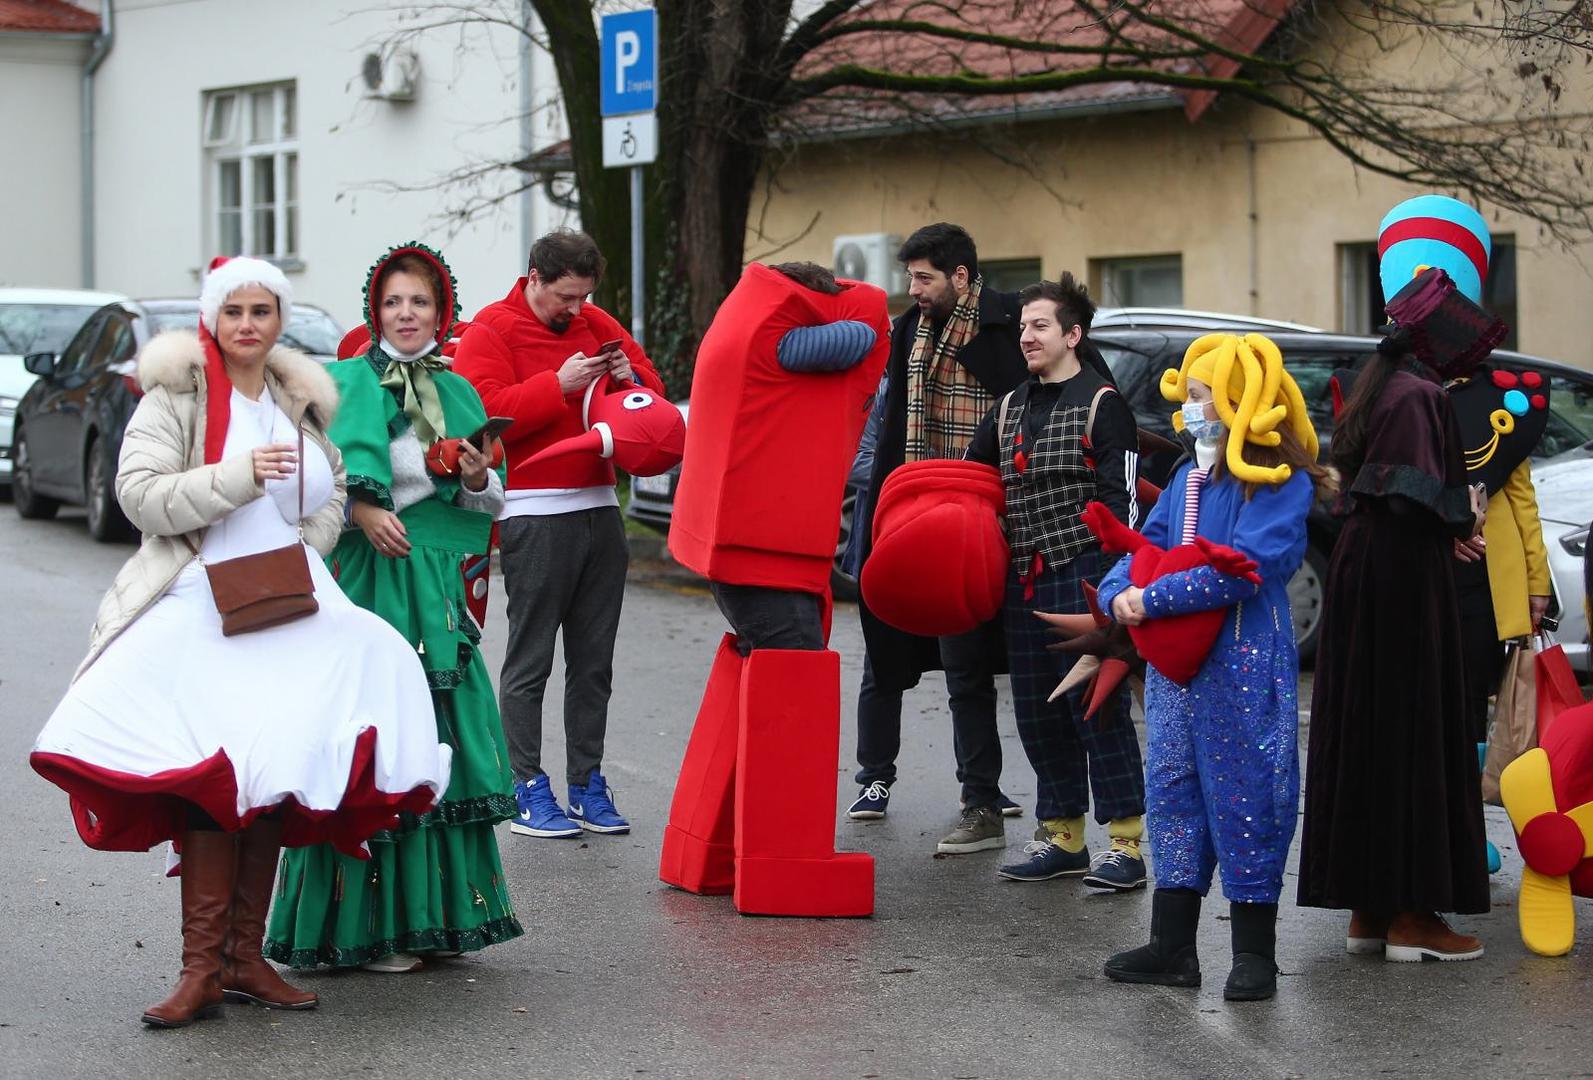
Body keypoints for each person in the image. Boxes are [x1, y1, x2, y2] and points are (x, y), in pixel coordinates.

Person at [29, 256, 451, 1028]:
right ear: (213, 319)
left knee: (275, 772)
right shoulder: (174, 396)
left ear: (278, 319)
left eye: (263, 311)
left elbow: (326, 493)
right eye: (235, 312)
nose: (249, 325)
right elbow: (140, 498)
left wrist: (306, 548)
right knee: (213, 776)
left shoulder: (300, 401)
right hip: (198, 607)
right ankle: (200, 970)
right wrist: (240, 477)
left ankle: (246, 960)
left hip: (289, 606)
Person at [264, 244, 523, 974]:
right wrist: (363, 511)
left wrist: (476, 477)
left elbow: (486, 503)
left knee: (436, 735)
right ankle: (365, 925)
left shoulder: (460, 391)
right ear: (374, 310)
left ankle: (430, 921)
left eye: (419, 303)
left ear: (442, 313)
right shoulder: (345, 383)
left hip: (435, 586)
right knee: (372, 735)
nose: (405, 315)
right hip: (369, 581)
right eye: (392, 303)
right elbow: (315, 482)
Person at [1097, 332, 1322, 1002]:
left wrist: (1150, 596)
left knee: (1248, 795)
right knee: (1172, 790)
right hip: (1177, 666)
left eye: (1198, 397)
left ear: (1235, 402)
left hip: (1244, 659)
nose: (1188, 410)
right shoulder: (1187, 478)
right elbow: (1153, 543)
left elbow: (1250, 567)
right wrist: (1116, 593)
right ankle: (1172, 947)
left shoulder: (1280, 483)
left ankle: (1254, 953)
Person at [659, 261, 889, 915]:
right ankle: (784, 866)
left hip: (741, 549)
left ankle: (704, 851)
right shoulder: (779, 338)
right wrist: (857, 298)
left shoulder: (744, 326)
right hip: (761, 554)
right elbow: (867, 326)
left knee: (755, 677)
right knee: (793, 696)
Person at [1297, 295, 1494, 960]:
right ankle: (1412, 915)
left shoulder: (1376, 382)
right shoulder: (1417, 394)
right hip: (1403, 577)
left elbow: (1381, 488)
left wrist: (1448, 523)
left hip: (1366, 568)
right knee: (1414, 728)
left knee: (1368, 728)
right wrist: (1458, 522)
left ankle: (1370, 910)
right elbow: (1413, 494)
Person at [453, 230, 666, 840]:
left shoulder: (598, 322)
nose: (576, 310)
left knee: (594, 662)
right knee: (532, 658)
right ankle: (525, 787)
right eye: (565, 297)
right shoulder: (493, 329)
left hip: (602, 507)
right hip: (532, 512)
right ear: (535, 278)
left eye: (585, 297)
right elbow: (478, 418)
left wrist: (628, 374)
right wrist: (559, 385)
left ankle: (587, 784)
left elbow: (647, 400)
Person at [849, 222, 1028, 854]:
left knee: (968, 662)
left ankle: (981, 794)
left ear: (960, 276)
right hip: (912, 506)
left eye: (924, 278)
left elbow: (1018, 404)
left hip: (981, 515)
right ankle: (875, 775)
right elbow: (889, 415)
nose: (913, 290)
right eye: (910, 278)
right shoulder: (908, 330)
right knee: (886, 646)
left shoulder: (1008, 326)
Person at [964, 275, 1147, 890]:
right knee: (1037, 712)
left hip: (1089, 576)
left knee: (1096, 710)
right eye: (1022, 327)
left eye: (1040, 325)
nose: (1026, 336)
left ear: (1074, 334)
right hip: (1025, 579)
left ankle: (1125, 843)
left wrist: (1118, 585)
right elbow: (970, 480)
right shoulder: (1010, 405)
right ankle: (1063, 836)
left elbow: (1122, 504)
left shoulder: (1103, 403)